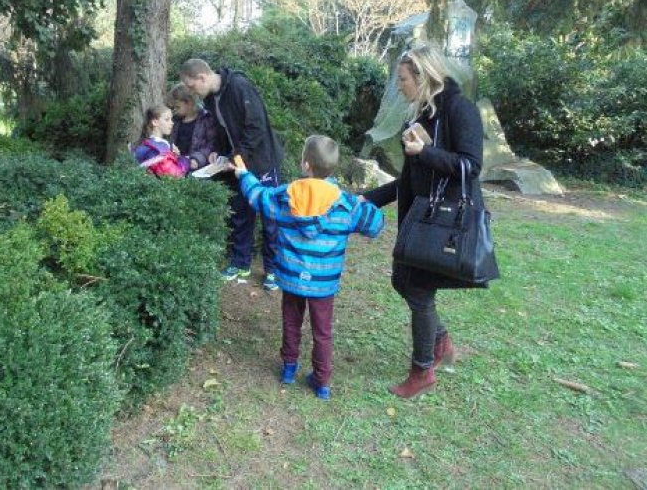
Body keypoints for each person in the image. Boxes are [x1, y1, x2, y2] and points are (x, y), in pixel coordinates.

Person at [362, 43, 485, 399]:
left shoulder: (460, 110)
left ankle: (422, 371)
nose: (398, 86)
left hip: (441, 221)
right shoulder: (419, 117)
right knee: (403, 281)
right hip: (416, 218)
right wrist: (369, 198)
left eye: (402, 79)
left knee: (416, 289)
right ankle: (441, 342)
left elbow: (471, 166)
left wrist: (426, 152)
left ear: (423, 76)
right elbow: (408, 180)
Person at [232, 136, 384, 400]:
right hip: (324, 283)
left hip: (291, 276)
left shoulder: (286, 195)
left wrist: (244, 174)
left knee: (291, 322)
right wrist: (363, 204)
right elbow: (375, 225)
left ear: (305, 165)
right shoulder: (345, 203)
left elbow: (258, 197)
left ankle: (289, 368)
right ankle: (322, 381)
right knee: (323, 331)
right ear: (332, 169)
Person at [180, 58, 285, 292]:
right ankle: (240, 263)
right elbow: (222, 130)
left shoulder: (239, 86)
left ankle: (273, 270)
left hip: (262, 161)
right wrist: (219, 153)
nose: (190, 91)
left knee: (270, 216)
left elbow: (256, 126)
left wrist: (237, 157)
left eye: (191, 86)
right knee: (240, 213)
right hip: (237, 164)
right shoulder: (209, 97)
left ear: (202, 78)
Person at [166, 83, 220, 171]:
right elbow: (168, 140)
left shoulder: (206, 119)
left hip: (197, 165)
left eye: (178, 107)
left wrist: (197, 159)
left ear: (189, 103)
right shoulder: (175, 120)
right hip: (176, 164)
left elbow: (211, 144)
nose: (175, 110)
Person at [133, 105, 190, 178]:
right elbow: (175, 175)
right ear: (155, 122)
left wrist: (174, 155)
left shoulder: (151, 143)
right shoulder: (156, 148)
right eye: (167, 119)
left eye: (171, 119)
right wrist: (185, 160)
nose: (172, 123)